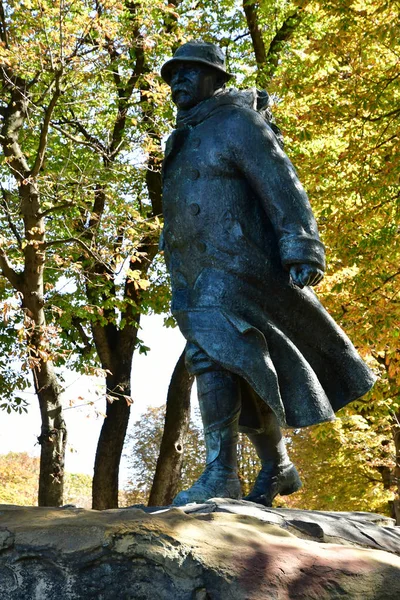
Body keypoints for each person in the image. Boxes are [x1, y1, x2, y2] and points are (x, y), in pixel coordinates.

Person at [160, 40, 376, 506]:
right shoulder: (182, 137)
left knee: (210, 355)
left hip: (238, 261)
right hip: (194, 269)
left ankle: (220, 473)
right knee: (241, 362)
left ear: (216, 78)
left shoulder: (237, 122)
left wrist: (301, 245)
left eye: (189, 72)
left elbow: (278, 179)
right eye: (173, 73)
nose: (178, 80)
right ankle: (277, 466)